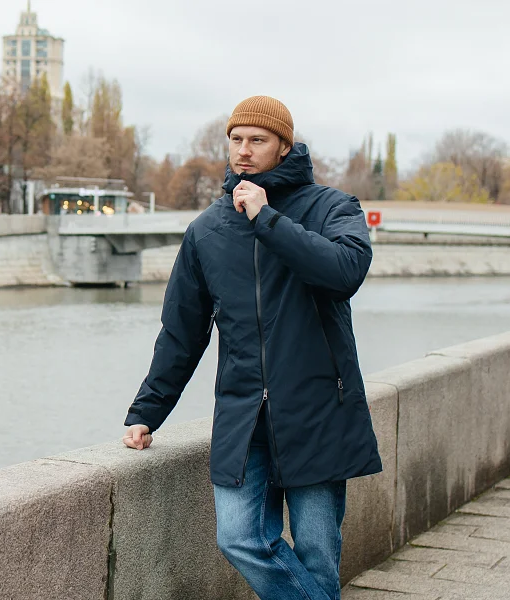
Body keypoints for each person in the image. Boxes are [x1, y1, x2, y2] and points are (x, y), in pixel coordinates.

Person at [122, 96, 382, 600]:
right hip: (244, 417)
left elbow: (344, 273)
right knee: (239, 538)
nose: (243, 150)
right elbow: (182, 332)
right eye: (236, 139)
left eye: (257, 140)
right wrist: (147, 411)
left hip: (315, 411)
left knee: (317, 553)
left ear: (284, 146)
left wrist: (268, 219)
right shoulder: (207, 230)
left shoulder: (332, 208)